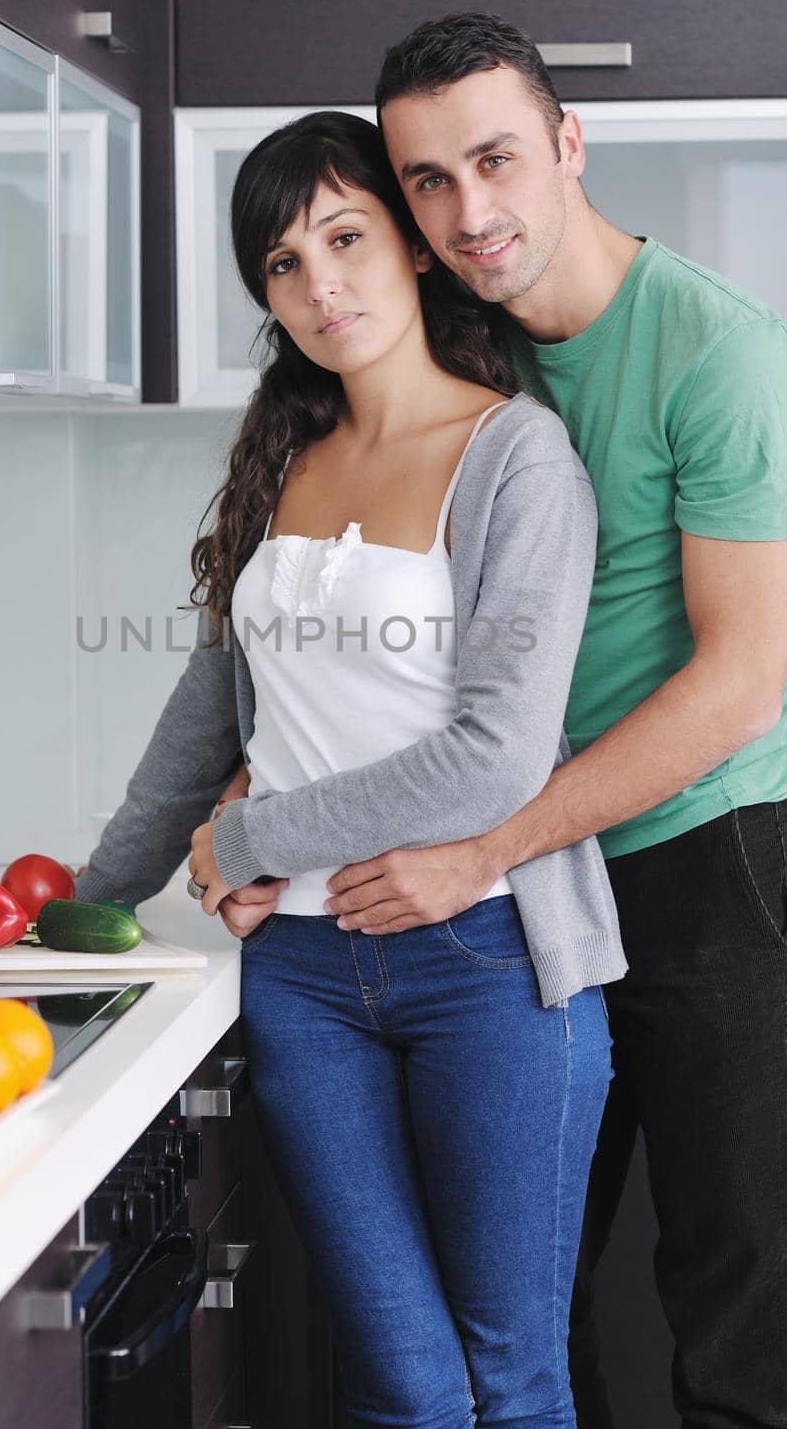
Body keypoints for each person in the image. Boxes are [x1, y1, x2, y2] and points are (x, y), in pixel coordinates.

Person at [214, 14, 787, 1429]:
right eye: (427, 181)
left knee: (727, 1303)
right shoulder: (463, 342)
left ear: (569, 142)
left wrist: (474, 843)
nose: (468, 212)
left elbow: (736, 683)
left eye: (496, 159)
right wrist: (282, 763)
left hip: (710, 852)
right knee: (535, 1307)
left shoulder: (719, 356)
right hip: (535, 873)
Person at [77, 109, 628, 1427]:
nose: (320, 285)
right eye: (281, 263)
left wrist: (254, 843)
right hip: (306, 981)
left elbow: (494, 759)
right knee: (403, 1382)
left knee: (511, 1376)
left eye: (346, 237)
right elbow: (206, 718)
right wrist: (81, 911)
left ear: (417, 248)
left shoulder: (517, 461)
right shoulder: (283, 460)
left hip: (492, 965)